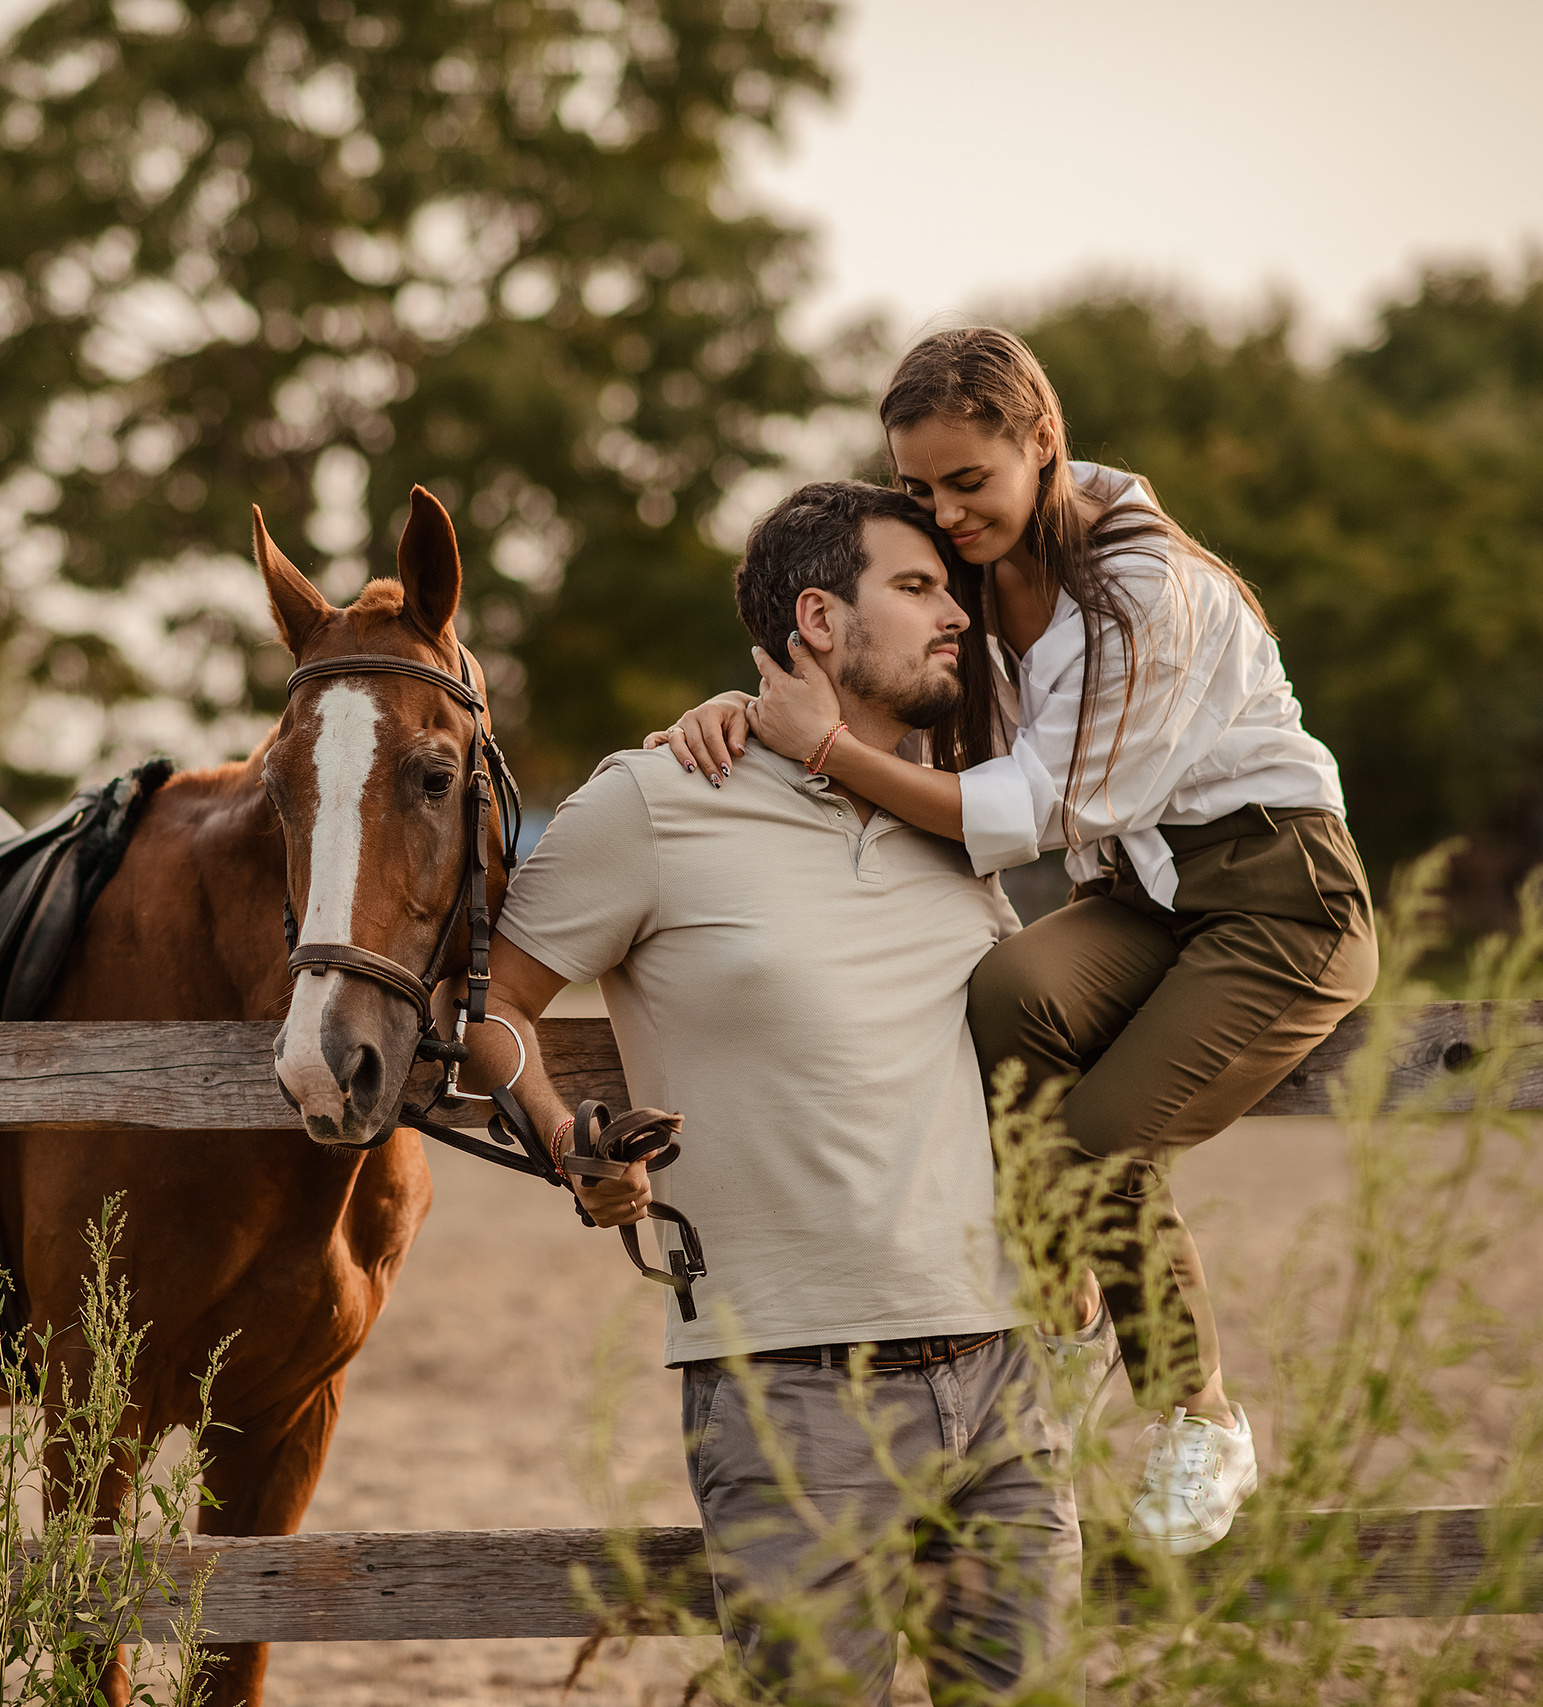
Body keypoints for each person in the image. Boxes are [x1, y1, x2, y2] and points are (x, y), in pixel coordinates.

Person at [649, 325, 1380, 1556]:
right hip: (1144, 898)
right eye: (921, 487)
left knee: (1094, 1147)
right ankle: (1060, 1283)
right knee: (1009, 989)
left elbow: (1026, 813)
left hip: (1277, 892)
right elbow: (902, 694)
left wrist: (818, 749)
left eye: (967, 483)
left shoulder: (1151, 587)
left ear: (1042, 441)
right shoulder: (981, 574)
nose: (943, 514)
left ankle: (1197, 1415)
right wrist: (761, 700)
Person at [461, 480, 1108, 1703]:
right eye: (915, 589)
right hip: (795, 1389)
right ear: (818, 618)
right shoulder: (653, 800)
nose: (953, 617)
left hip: (1008, 1369)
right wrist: (565, 1140)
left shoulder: (962, 811)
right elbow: (489, 1008)